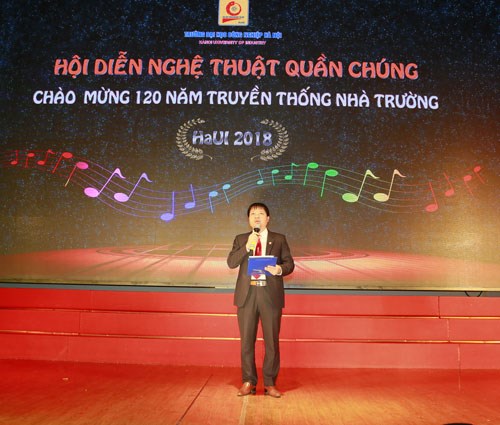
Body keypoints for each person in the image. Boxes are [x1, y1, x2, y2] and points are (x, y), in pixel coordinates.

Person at [227, 202, 294, 398]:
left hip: (270, 295)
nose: (257, 217)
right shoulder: (241, 239)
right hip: (247, 296)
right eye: (253, 214)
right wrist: (247, 246)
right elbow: (231, 262)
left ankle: (270, 383)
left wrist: (279, 269)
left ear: (268, 218)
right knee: (247, 342)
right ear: (249, 219)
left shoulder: (278, 239)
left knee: (271, 341)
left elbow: (289, 263)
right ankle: (248, 381)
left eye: (261, 213)